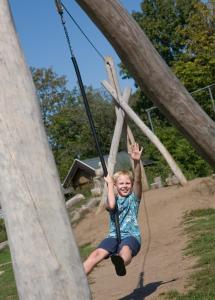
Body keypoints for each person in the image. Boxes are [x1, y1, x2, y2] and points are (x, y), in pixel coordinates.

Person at [83, 143, 143, 276]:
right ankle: (79, 275)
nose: (125, 186)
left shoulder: (134, 199)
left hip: (131, 236)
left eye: (128, 183)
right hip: (113, 236)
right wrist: (109, 184)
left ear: (131, 185)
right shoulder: (111, 197)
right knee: (96, 254)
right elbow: (111, 205)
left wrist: (136, 162)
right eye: (121, 183)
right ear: (115, 185)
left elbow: (138, 180)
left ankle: (120, 262)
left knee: (125, 250)